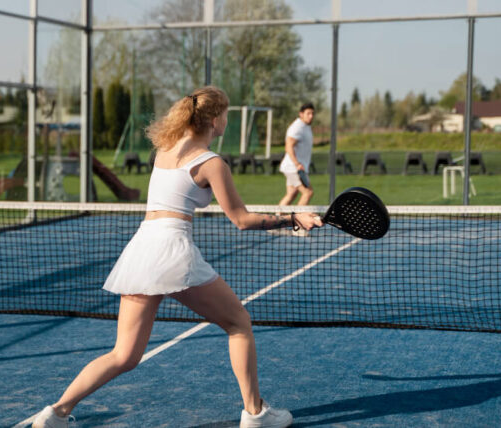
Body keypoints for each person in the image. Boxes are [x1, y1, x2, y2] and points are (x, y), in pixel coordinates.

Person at [33, 86, 323, 428]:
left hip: (142, 247)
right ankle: (256, 413)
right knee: (238, 324)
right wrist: (293, 218)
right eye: (226, 115)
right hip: (172, 250)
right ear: (214, 120)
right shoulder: (212, 163)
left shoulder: (164, 150)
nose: (226, 121)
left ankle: (55, 413)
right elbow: (242, 220)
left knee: (124, 354)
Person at [278, 102, 315, 210]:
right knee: (308, 192)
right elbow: (288, 146)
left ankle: (277, 218)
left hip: (294, 167)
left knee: (292, 194)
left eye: (312, 113)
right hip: (294, 168)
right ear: (301, 114)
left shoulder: (306, 127)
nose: (311, 116)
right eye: (308, 113)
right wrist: (297, 164)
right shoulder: (297, 127)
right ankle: (298, 218)